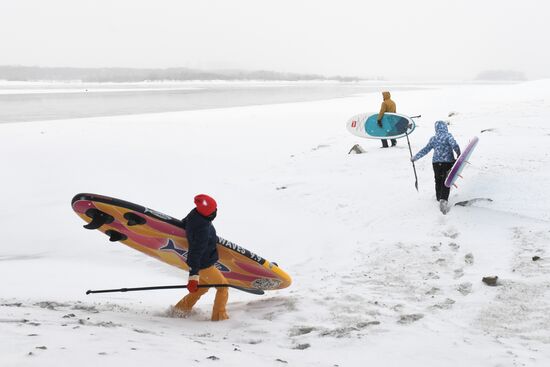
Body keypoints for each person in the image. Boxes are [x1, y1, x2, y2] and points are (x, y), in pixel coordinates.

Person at [174, 194, 229, 321]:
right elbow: (195, 252)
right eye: (214, 209)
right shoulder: (202, 229)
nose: (216, 211)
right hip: (204, 265)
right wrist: (193, 276)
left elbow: (184, 224)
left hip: (203, 262)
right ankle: (219, 317)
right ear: (210, 213)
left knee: (202, 288)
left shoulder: (195, 214)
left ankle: (180, 309)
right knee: (223, 287)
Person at [411, 121, 461, 212]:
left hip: (436, 163)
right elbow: (454, 145)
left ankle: (438, 198)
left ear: (436, 128)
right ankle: (443, 199)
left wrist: (415, 157)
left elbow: (425, 149)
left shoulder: (433, 138)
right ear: (445, 127)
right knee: (446, 181)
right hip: (447, 162)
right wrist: (459, 153)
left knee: (438, 180)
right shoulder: (448, 136)